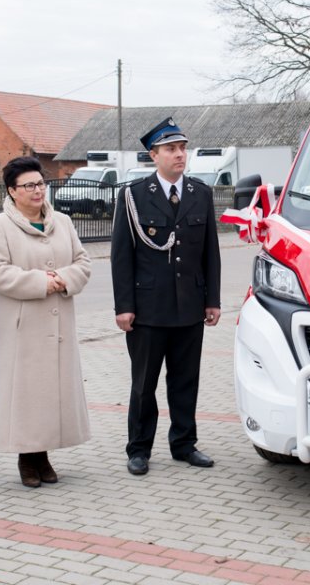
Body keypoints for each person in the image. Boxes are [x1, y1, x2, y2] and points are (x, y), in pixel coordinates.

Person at [111, 117, 222, 476]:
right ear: (153, 155)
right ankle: (139, 448)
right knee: (144, 383)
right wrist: (124, 306)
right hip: (148, 308)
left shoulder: (201, 194)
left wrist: (212, 299)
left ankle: (184, 444)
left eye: (183, 148)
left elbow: (211, 254)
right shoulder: (133, 196)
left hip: (189, 306)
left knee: (185, 379)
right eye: (171, 149)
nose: (180, 154)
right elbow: (121, 255)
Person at [0, 156, 92, 487]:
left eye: (41, 183)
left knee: (53, 392)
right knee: (27, 393)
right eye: (29, 185)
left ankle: (44, 454)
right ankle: (28, 458)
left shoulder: (64, 222)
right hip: (23, 324)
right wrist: (42, 282)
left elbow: (83, 262)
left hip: (58, 325)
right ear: (12, 191)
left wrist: (63, 278)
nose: (37, 190)